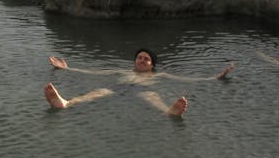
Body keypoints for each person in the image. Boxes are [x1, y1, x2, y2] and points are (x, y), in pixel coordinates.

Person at [44, 48, 234, 117]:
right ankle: (66, 103)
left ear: (152, 65)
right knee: (99, 91)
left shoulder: (159, 75)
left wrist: (215, 78)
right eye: (139, 58)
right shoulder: (123, 71)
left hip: (142, 90)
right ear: (134, 61)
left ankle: (169, 112)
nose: (142, 60)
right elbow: (94, 72)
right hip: (119, 89)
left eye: (146, 59)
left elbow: (189, 79)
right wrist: (67, 69)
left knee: (151, 95)